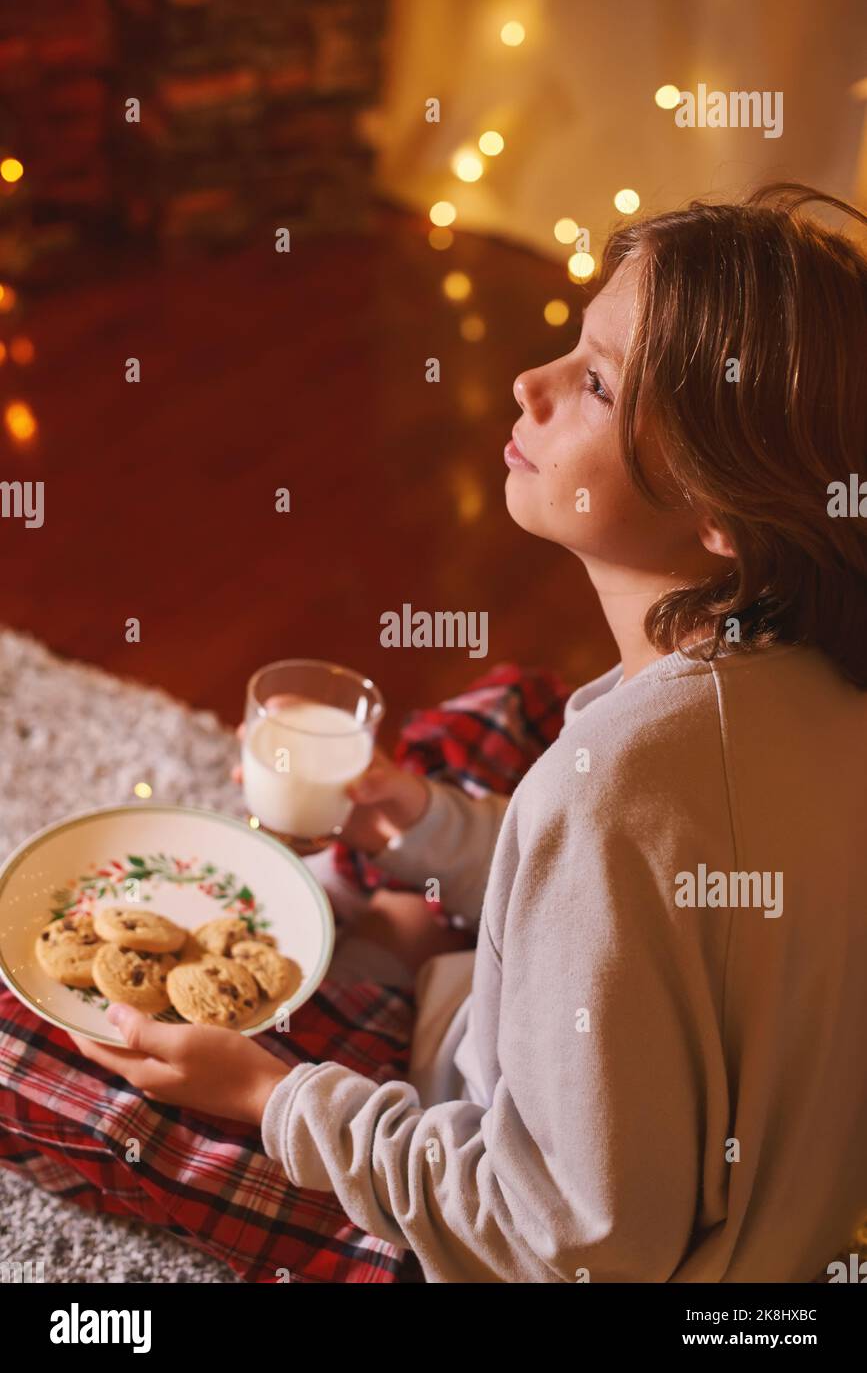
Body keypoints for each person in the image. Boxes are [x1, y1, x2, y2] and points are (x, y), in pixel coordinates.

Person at [4, 182, 867, 1282]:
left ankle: (414, 963)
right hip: (704, 1142)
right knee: (504, 712)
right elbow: (674, 886)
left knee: (28, 1044)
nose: (530, 382)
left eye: (596, 384)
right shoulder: (813, 676)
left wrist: (267, 1094)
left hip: (543, 1232)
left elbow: (572, 1249)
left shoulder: (601, 805)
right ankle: (429, 942)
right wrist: (433, 826)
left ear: (721, 508)